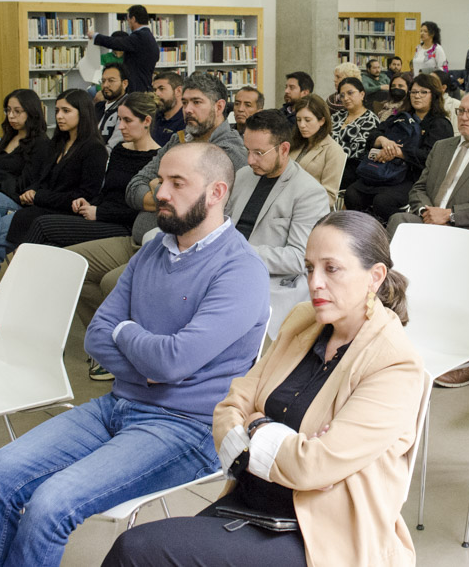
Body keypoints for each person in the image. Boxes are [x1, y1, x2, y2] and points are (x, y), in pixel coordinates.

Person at [0, 142, 269, 566]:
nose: (161, 193)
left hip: (186, 427)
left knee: (50, 505)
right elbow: (97, 338)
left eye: (177, 183)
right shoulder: (155, 248)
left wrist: (132, 336)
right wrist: (150, 366)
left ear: (216, 193)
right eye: (161, 180)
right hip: (118, 404)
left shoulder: (241, 269)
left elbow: (170, 360)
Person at [103, 211, 425, 567]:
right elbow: (230, 407)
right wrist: (273, 436)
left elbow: (311, 467)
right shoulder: (303, 321)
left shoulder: (394, 363)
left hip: (321, 536)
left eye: (331, 269)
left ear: (375, 276)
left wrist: (255, 427)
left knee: (135, 550)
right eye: (309, 268)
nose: (315, 282)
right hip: (252, 503)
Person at [67, 73, 248, 339]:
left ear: (219, 106)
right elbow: (133, 186)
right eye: (185, 102)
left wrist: (156, 185)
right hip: (138, 239)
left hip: (172, 247)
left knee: (111, 282)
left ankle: (131, 343)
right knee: (72, 266)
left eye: (197, 102)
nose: (188, 109)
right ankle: (109, 340)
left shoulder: (229, 151)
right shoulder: (179, 140)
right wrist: (168, 190)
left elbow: (196, 203)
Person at [3, 93, 161, 251]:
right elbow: (106, 193)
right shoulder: (119, 150)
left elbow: (141, 210)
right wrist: (87, 203)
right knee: (49, 245)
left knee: (42, 224)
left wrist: (99, 212)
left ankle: (16, 263)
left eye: (127, 120)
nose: (120, 127)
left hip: (122, 226)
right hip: (100, 216)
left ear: (146, 121)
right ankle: (14, 262)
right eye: (119, 119)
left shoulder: (156, 158)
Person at [229, 110, 329, 337]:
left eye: (259, 153)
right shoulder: (243, 176)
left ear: (284, 149)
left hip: (268, 279)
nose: (250, 160)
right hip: (228, 268)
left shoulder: (309, 192)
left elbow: (299, 257)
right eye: (247, 150)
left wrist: (240, 252)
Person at [387, 89, 469, 238]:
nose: (464, 117)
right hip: (428, 220)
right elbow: (419, 188)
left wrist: (449, 215)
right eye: (461, 111)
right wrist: (426, 212)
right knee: (398, 220)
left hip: (464, 228)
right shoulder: (441, 146)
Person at [0, 88, 52, 329]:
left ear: (31, 112)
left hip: (18, 201)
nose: (12, 116)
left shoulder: (41, 144)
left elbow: (25, 185)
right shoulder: (6, 138)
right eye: (9, 110)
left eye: (18, 111)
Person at [345, 74, 453, 224]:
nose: (417, 96)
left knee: (383, 201)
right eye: (414, 92)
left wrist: (399, 153)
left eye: (423, 92)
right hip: (386, 171)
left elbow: (430, 157)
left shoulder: (440, 124)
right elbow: (373, 135)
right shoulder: (400, 117)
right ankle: (363, 230)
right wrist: (383, 141)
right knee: (352, 193)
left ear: (434, 95)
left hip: (413, 177)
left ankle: (387, 232)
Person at [4, 88, 107, 246]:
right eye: (57, 111)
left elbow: (86, 194)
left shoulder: (94, 149)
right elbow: (43, 177)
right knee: (2, 226)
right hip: (42, 207)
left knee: (6, 226)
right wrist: (32, 191)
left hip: (67, 213)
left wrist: (39, 196)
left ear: (83, 113)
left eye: (66, 111)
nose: (59, 116)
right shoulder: (58, 143)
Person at [288, 94, 346, 208]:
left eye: (307, 120)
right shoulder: (295, 142)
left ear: (322, 121)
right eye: (298, 120)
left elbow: (329, 197)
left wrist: (298, 203)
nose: (302, 125)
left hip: (309, 206)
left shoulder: (333, 151)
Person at [88, 5, 159, 92]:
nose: (128, 22)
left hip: (136, 87)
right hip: (144, 83)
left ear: (133, 19)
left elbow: (116, 42)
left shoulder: (140, 36)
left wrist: (95, 36)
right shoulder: (148, 36)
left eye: (128, 19)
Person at [332, 77, 378, 188]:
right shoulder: (337, 116)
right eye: (342, 95)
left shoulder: (370, 119)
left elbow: (358, 150)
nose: (346, 98)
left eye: (350, 93)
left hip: (352, 167)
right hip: (330, 162)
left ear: (362, 94)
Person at [94, 65, 129, 151]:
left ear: (124, 83)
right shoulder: (98, 107)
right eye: (103, 81)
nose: (105, 85)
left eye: (111, 81)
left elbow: (113, 147)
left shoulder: (128, 108)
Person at [150, 71, 186, 146]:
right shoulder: (152, 117)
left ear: (178, 91)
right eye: (155, 90)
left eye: (161, 89)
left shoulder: (187, 121)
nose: (156, 94)